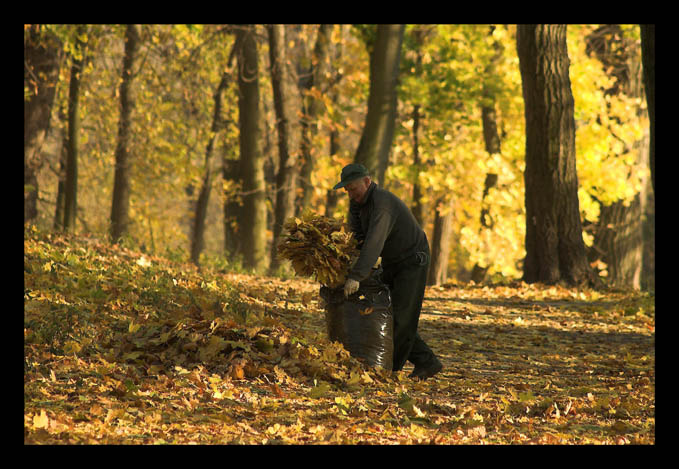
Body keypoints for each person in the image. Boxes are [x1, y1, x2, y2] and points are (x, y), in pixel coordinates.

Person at [333, 163, 443, 380]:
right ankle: (426, 361)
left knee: (403, 319)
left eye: (353, 188)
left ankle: (392, 372)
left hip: (412, 261)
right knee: (385, 316)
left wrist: (356, 276)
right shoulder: (358, 204)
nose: (350, 194)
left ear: (367, 182)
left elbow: (374, 243)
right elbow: (358, 238)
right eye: (347, 190)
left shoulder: (382, 204)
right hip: (392, 261)